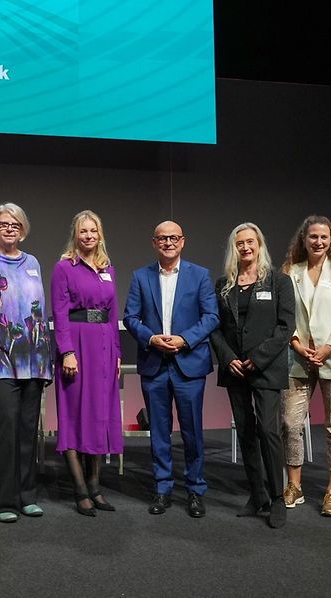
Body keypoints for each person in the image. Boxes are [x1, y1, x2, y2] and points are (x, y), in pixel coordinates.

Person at [123, 220, 219, 518]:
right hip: (155, 364)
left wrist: (184, 339)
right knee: (159, 433)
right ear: (154, 242)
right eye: (162, 238)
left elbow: (211, 316)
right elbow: (130, 317)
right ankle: (162, 488)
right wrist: (151, 338)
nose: (168, 242)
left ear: (183, 241)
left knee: (192, 433)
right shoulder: (141, 276)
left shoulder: (200, 275)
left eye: (173, 238)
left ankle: (194, 489)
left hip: (188, 364)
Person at [0, 203, 52, 523]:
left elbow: (39, 313)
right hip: (0, 361)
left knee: (28, 429)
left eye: (15, 224)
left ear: (23, 228)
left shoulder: (32, 262)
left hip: (33, 361)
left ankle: (26, 495)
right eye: (3, 224)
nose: (9, 229)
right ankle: (4, 500)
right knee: (6, 427)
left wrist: (45, 361)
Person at [210, 223, 295, 528]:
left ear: (260, 244)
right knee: (245, 431)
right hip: (235, 370)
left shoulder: (279, 282)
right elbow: (215, 327)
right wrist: (229, 358)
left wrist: (256, 359)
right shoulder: (224, 285)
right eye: (239, 243)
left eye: (250, 242)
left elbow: (286, 327)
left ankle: (277, 498)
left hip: (266, 368)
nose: (245, 247)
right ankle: (256, 493)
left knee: (268, 432)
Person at [281, 215, 331, 518]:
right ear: (304, 239)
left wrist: (328, 348)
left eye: (324, 237)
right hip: (299, 357)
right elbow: (285, 316)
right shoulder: (290, 271)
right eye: (313, 236)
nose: (318, 241)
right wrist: (298, 344)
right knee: (290, 423)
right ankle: (294, 485)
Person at [51, 210, 123, 518]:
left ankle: (96, 487)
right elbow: (59, 312)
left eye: (94, 230)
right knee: (73, 414)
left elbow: (112, 310)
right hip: (77, 348)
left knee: (100, 415)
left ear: (100, 234)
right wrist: (67, 351)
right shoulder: (64, 267)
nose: (89, 235)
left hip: (104, 346)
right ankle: (80, 489)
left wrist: (117, 353)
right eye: (83, 231)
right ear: (75, 234)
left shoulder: (108, 268)